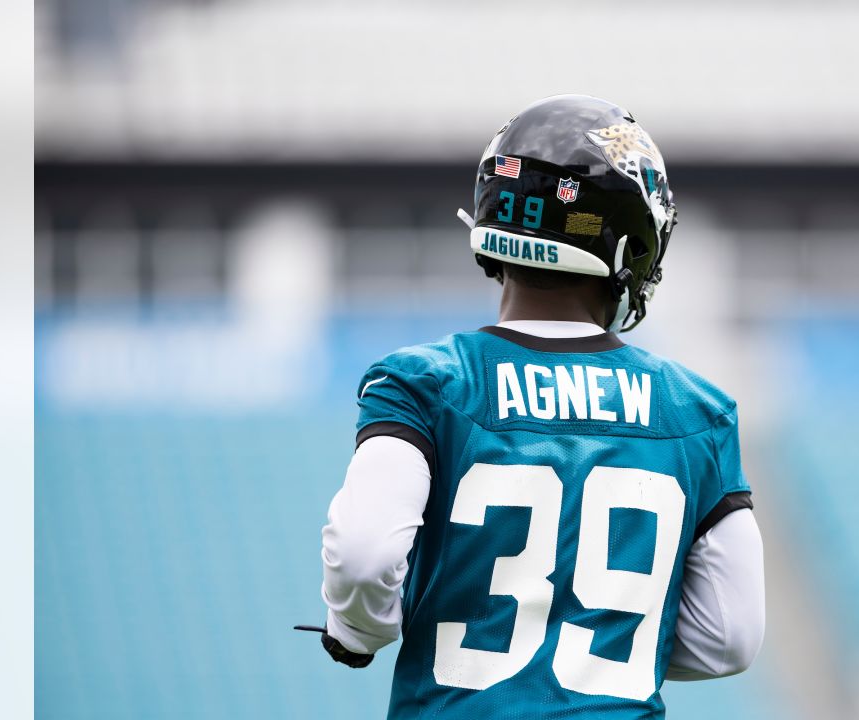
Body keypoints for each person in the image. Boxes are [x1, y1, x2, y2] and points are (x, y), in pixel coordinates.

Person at [297, 95, 765, 718]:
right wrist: (598, 640)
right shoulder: (698, 411)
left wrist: (360, 630)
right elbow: (731, 637)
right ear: (633, 242)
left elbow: (363, 555)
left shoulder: (424, 383)